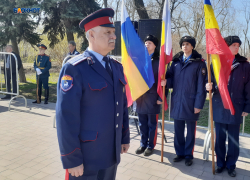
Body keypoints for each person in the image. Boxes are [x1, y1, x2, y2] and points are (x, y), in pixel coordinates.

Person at [56, 8, 130, 180]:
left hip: (111, 153)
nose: (114, 36)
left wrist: (124, 137)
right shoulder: (75, 68)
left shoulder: (116, 67)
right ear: (91, 35)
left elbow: (122, 105)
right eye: (107, 32)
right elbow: (66, 117)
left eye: (113, 32)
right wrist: (71, 158)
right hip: (85, 158)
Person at [206, 36, 250, 177]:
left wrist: (247, 107)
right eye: (234, 45)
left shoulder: (245, 65)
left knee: (233, 139)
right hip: (219, 106)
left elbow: (249, 87)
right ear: (226, 46)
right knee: (219, 139)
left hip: (235, 107)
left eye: (238, 45)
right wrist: (208, 86)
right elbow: (210, 83)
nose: (237, 47)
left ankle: (231, 165)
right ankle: (220, 164)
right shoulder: (216, 63)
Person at [161, 36, 207, 166]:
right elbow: (170, 79)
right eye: (183, 44)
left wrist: (198, 104)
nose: (185, 46)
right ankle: (179, 153)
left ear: (192, 46)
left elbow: (201, 86)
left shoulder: (199, 63)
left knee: (191, 131)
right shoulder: (175, 62)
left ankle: (188, 155)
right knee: (178, 130)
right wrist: (166, 82)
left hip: (191, 102)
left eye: (187, 44)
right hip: (177, 101)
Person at [135, 35, 162, 156]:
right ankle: (143, 144)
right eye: (145, 43)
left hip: (153, 97)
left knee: (152, 124)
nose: (147, 44)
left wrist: (161, 96)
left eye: (150, 43)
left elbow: (163, 80)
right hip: (141, 97)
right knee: (142, 123)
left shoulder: (160, 61)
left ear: (155, 46)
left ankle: (151, 145)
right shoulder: (139, 59)